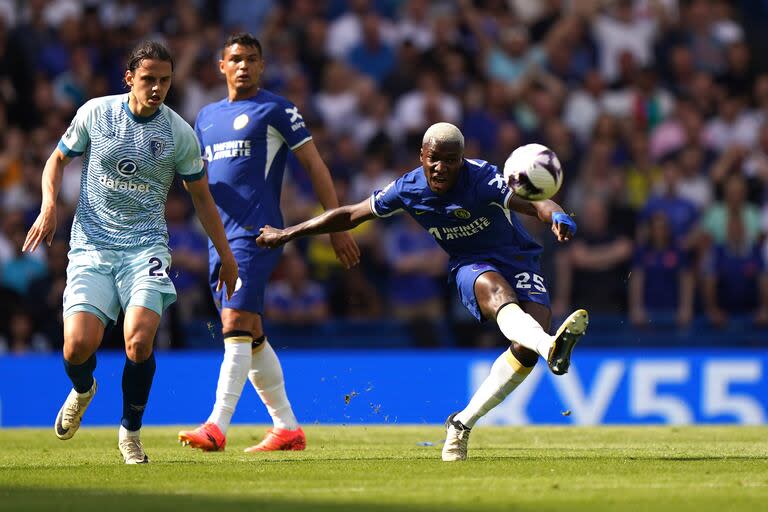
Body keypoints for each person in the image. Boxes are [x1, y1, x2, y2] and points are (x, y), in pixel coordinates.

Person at [257, 122, 588, 461]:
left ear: (462, 160)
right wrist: (287, 233)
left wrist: (558, 216)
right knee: (497, 292)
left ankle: (461, 424)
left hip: (519, 259)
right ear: (422, 156)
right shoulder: (408, 188)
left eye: (449, 160)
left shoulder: (483, 178)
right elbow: (351, 214)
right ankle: (550, 344)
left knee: (525, 351)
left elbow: (535, 203)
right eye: (433, 159)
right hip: (471, 265)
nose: (440, 167)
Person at [22, 41, 238, 464]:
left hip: (145, 248)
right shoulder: (95, 113)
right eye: (148, 79)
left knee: (138, 343)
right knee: (76, 348)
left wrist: (225, 253)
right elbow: (56, 160)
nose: (157, 88)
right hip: (92, 247)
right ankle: (84, 389)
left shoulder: (179, 133)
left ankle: (130, 433)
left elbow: (202, 199)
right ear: (129, 79)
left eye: (164, 80)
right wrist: (49, 204)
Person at [177, 33, 358, 453]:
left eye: (251, 59)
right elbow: (201, 180)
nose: (243, 66)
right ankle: (287, 428)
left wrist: (336, 226)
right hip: (217, 236)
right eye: (235, 59)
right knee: (251, 332)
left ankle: (216, 426)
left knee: (234, 324)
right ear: (221, 66)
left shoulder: (277, 109)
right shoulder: (204, 117)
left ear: (262, 66)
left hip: (257, 233)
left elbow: (315, 165)